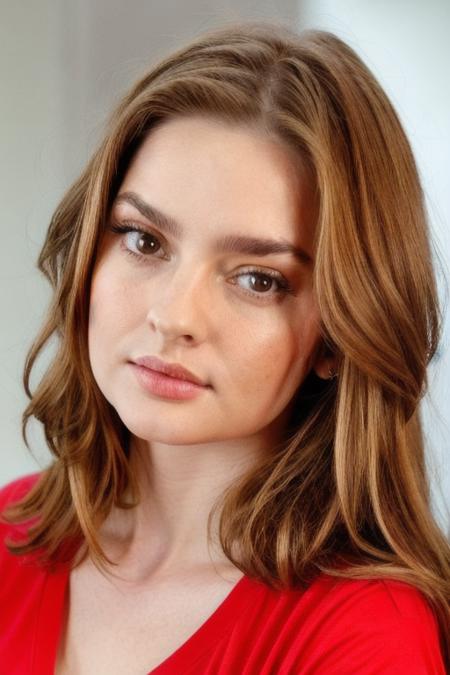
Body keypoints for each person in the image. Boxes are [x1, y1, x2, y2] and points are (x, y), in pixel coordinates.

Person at [0, 19, 449, 674]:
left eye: (257, 279)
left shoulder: (365, 636)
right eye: (144, 239)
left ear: (339, 334)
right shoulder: (10, 533)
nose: (173, 314)